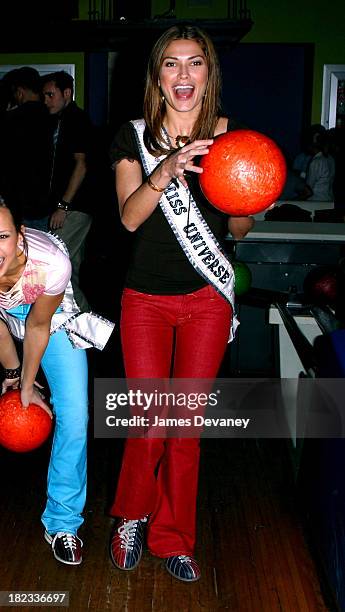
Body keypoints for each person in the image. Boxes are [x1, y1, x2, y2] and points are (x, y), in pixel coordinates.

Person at [108, 24, 254, 582]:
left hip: (206, 300)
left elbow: (238, 228)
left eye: (196, 63)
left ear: (209, 73)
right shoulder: (134, 137)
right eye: (172, 64)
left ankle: (175, 537)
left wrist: (245, 196)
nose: (184, 75)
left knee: (185, 426)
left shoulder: (230, 137)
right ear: (157, 76)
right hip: (144, 300)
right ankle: (131, 516)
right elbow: (127, 217)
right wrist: (166, 170)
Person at [0, 200, 114, 565]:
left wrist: (26, 385)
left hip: (51, 320)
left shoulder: (50, 262)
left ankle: (63, 523)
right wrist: (11, 372)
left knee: (75, 416)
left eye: (1, 236)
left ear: (19, 238)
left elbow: (36, 326)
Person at [41, 71, 95, 312]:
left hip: (74, 207)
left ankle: (82, 323)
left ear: (67, 93)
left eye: (50, 95)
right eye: (44, 95)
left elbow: (81, 165)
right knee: (69, 266)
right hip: (70, 207)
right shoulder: (61, 120)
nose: (46, 100)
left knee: (57, 267)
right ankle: (82, 323)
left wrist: (63, 205)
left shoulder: (77, 120)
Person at [0, 67, 53, 230]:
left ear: (20, 92)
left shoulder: (11, 120)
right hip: (44, 202)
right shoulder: (52, 116)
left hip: (18, 201)